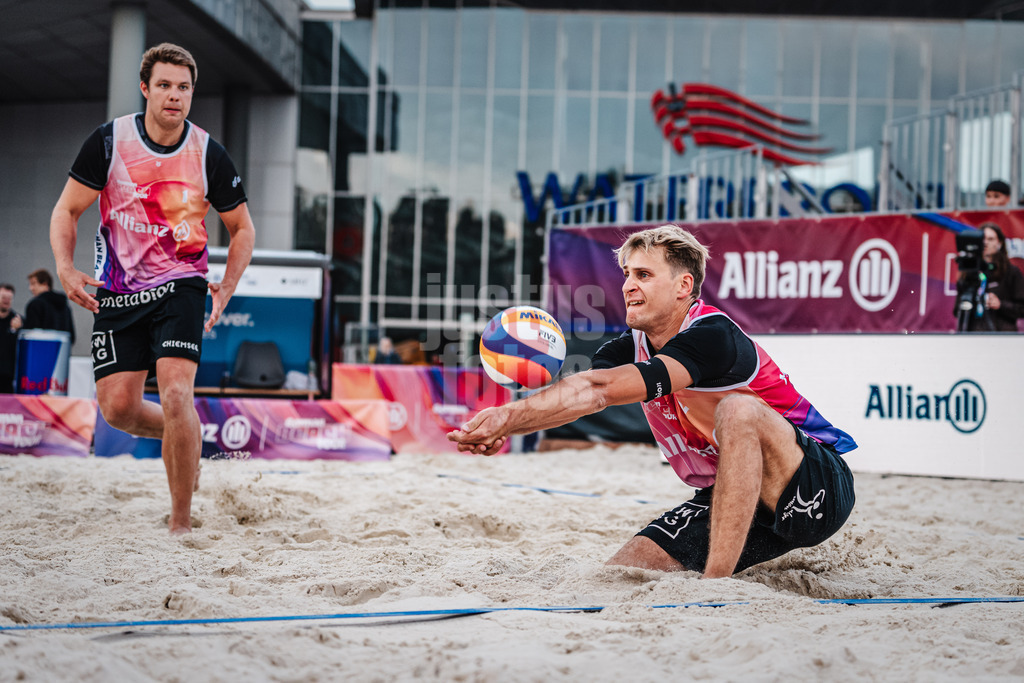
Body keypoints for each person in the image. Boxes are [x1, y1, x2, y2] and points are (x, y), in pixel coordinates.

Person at [449, 225, 857, 579]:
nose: (628, 285)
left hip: (815, 484)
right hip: (736, 495)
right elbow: (584, 395)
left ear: (683, 286)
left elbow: (601, 389)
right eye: (627, 274)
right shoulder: (628, 345)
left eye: (643, 274)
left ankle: (715, 591)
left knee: (738, 408)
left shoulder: (713, 334)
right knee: (622, 573)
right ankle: (723, 565)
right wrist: (503, 424)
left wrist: (508, 414)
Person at [49, 43, 255, 534]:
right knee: (118, 408)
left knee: (177, 393)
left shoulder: (208, 153)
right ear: (145, 88)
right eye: (164, 85)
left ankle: (179, 523)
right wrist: (64, 266)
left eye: (184, 87)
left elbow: (242, 228)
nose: (174, 96)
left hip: (181, 284)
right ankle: (184, 438)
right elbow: (67, 211)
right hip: (119, 290)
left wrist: (226, 285)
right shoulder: (109, 141)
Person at [954, 222, 1024, 332]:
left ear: (999, 242)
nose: (986, 243)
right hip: (973, 336)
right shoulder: (969, 272)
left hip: (1002, 336)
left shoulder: (1011, 272)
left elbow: (1022, 308)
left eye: (991, 239)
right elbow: (957, 310)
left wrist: (1000, 305)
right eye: (983, 239)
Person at [23, 268, 76, 344]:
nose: (31, 288)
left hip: (41, 351)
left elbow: (31, 333)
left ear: (45, 283)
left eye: (33, 283)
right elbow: (72, 336)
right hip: (61, 351)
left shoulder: (35, 304)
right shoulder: (65, 306)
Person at [0, 283, 21, 394]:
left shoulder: (17, 321)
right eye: (3, 297)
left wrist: (14, 331)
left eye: (9, 298)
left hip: (8, 376)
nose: (6, 301)